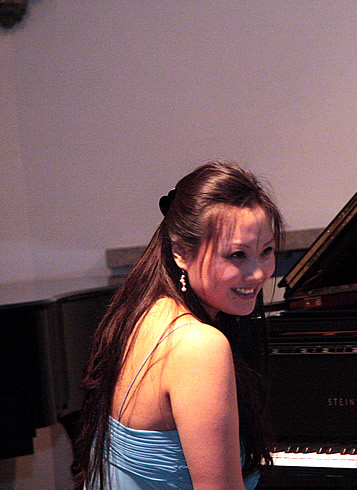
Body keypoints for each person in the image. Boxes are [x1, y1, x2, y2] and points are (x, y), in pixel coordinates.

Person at [74, 161, 282, 489]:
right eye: (237, 255)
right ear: (181, 253)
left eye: (266, 251)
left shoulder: (143, 311)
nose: (258, 273)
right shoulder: (199, 345)